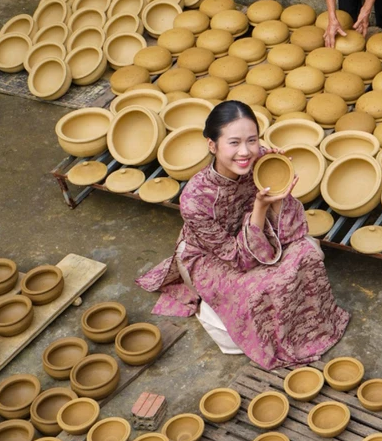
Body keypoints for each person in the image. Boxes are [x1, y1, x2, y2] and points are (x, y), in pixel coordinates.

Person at [136, 101, 349, 370]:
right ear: (212, 145)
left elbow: (293, 232)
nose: (245, 152)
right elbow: (239, 259)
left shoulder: (259, 163)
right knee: (258, 288)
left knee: (307, 253)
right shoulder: (194, 198)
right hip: (211, 257)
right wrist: (260, 206)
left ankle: (310, 331)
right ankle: (269, 336)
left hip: (260, 238)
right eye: (234, 143)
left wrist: (278, 183)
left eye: (252, 140)